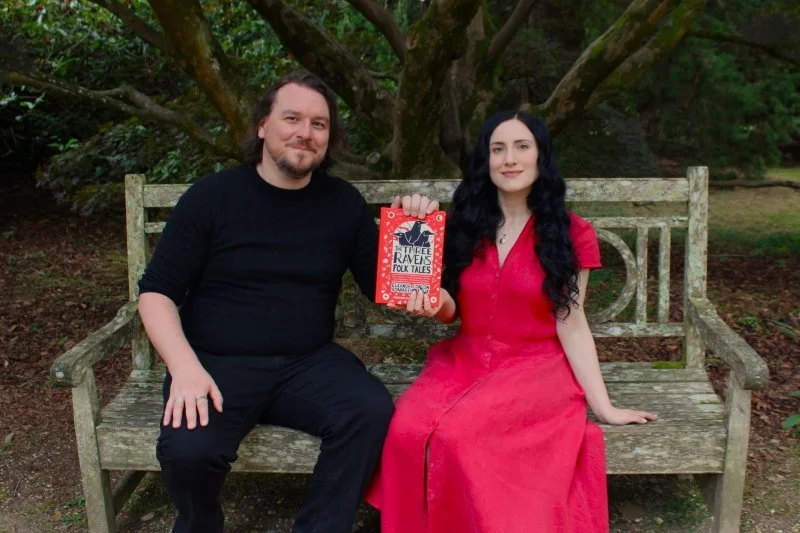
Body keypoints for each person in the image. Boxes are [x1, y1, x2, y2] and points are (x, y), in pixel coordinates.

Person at [137, 70, 438, 533]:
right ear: (263, 125)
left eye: (319, 124)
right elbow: (157, 292)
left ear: (329, 138)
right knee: (189, 450)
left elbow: (386, 287)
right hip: (216, 364)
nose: (305, 132)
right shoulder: (210, 198)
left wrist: (413, 225)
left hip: (308, 363)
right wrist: (184, 368)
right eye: (292, 118)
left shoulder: (342, 204)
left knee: (368, 410)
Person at [365, 110, 658, 532]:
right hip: (462, 361)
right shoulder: (467, 226)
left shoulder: (570, 233)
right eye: (498, 148)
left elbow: (572, 323)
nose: (509, 158)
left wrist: (604, 407)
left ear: (541, 156)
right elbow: (452, 309)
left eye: (522, 146)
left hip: (535, 369)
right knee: (407, 429)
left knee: (458, 436)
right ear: (486, 160)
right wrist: (436, 301)